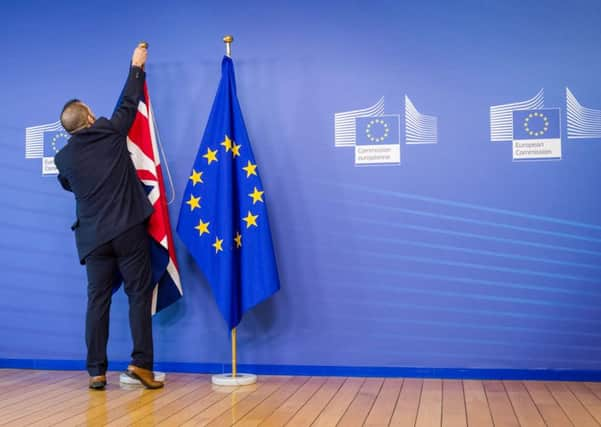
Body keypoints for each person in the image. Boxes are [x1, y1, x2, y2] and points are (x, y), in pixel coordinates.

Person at [54, 44, 163, 390]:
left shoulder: (63, 160)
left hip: (94, 239)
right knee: (137, 295)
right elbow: (128, 104)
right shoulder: (110, 133)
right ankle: (141, 365)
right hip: (128, 231)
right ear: (88, 117)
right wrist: (136, 66)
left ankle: (96, 372)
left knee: (97, 301)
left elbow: (68, 185)